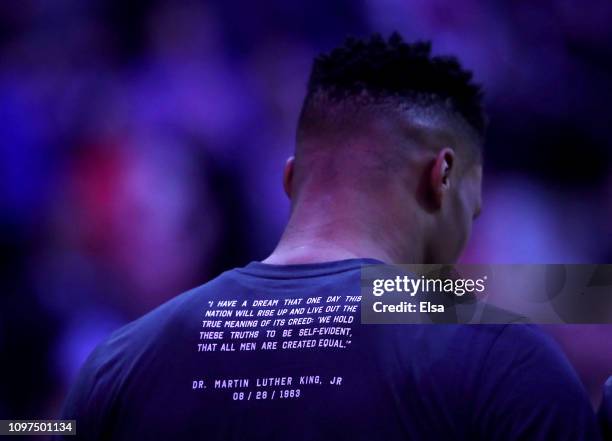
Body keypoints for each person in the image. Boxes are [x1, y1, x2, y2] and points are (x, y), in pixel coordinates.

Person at [58, 33, 601, 440]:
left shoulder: (117, 364)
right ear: (440, 178)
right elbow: (407, 298)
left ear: (291, 178)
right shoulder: (501, 358)